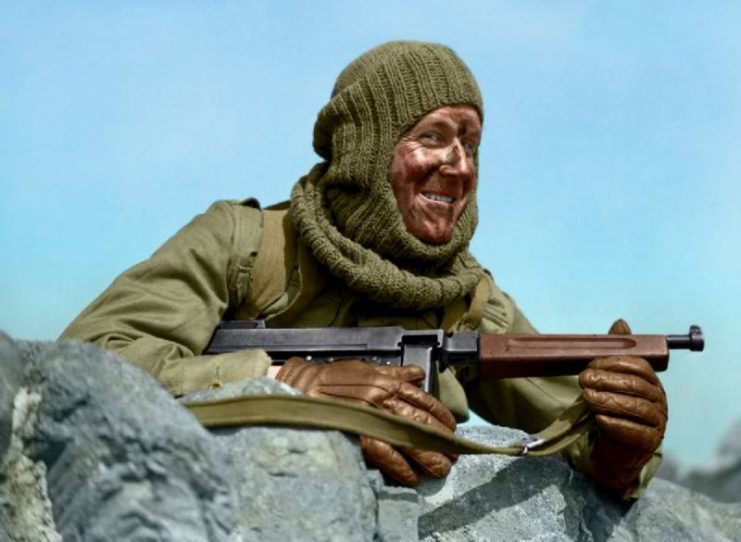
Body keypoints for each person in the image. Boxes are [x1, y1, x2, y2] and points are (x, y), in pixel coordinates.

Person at [61, 41, 666, 499]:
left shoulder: (466, 298)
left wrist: (620, 452)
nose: (459, 167)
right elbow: (84, 363)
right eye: (433, 137)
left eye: (472, 144)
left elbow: (576, 435)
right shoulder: (245, 245)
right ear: (366, 149)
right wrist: (285, 383)